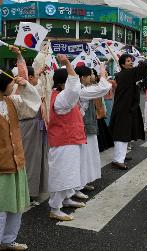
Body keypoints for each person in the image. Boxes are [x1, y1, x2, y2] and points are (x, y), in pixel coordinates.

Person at [0, 51, 41, 251]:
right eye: (10, 82)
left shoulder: (12, 102)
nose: (13, 85)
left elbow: (33, 107)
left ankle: (8, 240)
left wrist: (26, 87)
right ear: (0, 84)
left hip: (16, 162)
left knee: (16, 206)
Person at [47, 54, 86, 221]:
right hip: (64, 142)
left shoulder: (59, 95)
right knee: (63, 175)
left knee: (69, 174)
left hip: (69, 140)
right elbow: (73, 89)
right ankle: (55, 208)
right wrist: (68, 64)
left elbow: (74, 89)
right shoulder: (61, 98)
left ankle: (66, 199)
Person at [109, 54, 147, 170]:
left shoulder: (125, 74)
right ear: (122, 64)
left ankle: (121, 156)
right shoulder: (126, 74)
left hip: (126, 108)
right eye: (128, 61)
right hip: (123, 108)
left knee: (125, 133)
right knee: (121, 134)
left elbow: (143, 72)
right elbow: (142, 68)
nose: (131, 62)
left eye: (131, 60)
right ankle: (118, 160)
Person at [75, 65, 111, 195]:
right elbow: (104, 88)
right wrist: (102, 73)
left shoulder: (83, 88)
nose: (92, 77)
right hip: (82, 127)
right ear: (82, 77)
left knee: (88, 156)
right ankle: (77, 187)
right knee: (83, 157)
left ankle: (82, 183)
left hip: (86, 126)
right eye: (90, 74)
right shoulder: (80, 90)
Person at [19, 64, 49, 204]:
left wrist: (39, 72)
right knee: (30, 158)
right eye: (36, 76)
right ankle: (28, 192)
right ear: (29, 77)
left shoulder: (31, 88)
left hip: (36, 125)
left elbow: (38, 85)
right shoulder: (22, 90)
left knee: (37, 158)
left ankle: (33, 190)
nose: (39, 78)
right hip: (29, 125)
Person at [92, 69, 114, 152]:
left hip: (100, 107)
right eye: (91, 74)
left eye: (93, 74)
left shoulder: (97, 85)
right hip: (96, 110)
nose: (93, 76)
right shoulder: (91, 87)